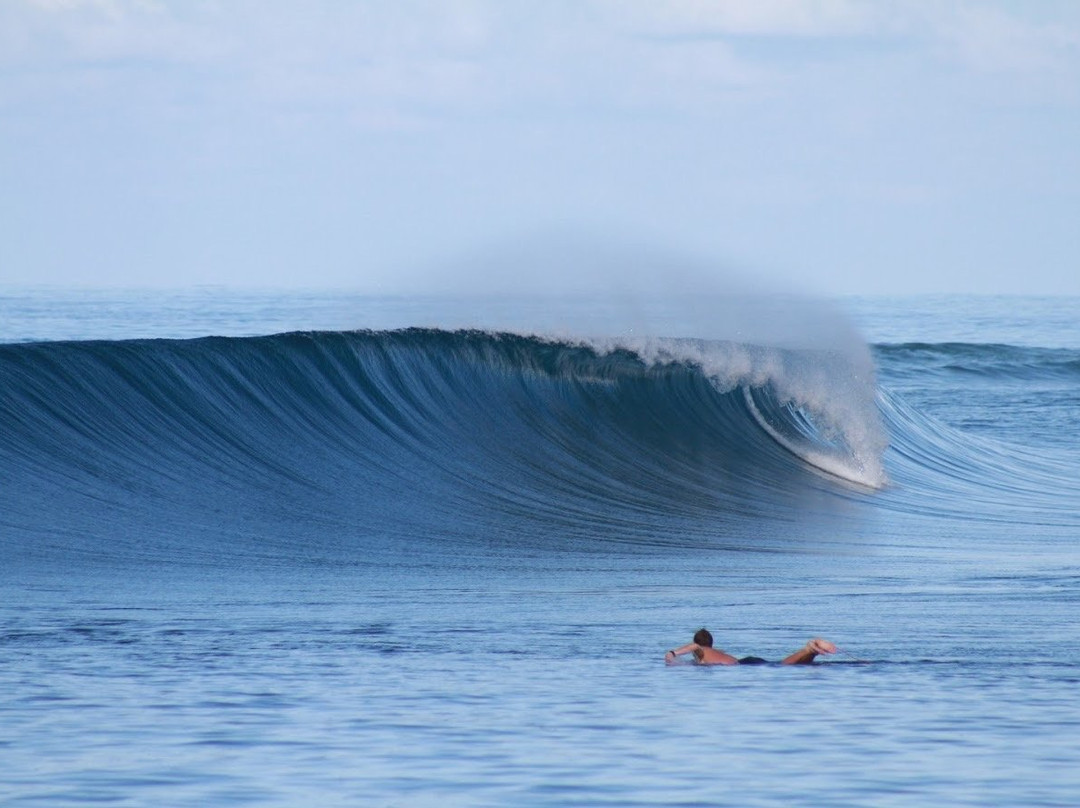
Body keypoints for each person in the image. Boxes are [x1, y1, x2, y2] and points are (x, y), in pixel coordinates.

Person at [664, 628, 837, 666]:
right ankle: (811, 653)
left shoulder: (699, 648)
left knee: (783, 666)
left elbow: (683, 650)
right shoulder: (714, 651)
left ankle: (808, 650)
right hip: (746, 661)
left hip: (744, 665)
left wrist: (671, 654)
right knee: (785, 665)